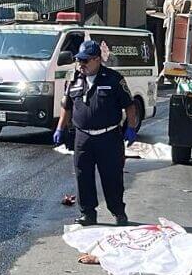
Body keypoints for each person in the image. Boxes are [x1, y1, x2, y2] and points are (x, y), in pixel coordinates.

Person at [52, 40, 139, 226]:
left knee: (112, 177)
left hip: (108, 137)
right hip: (83, 137)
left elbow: (129, 106)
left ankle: (118, 212)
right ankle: (88, 214)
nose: (81, 64)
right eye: (79, 60)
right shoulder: (74, 80)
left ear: (97, 60)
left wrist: (131, 128)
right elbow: (66, 107)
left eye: (85, 61)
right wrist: (60, 128)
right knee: (83, 176)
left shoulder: (114, 79)